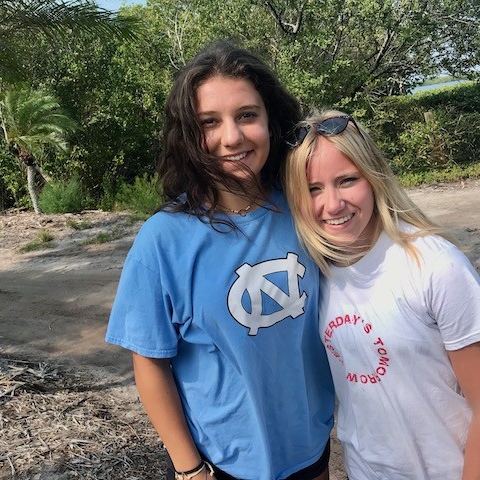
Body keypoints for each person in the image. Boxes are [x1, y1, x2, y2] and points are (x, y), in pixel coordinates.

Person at [105, 42, 335, 480]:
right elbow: (150, 361)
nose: (232, 138)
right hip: (223, 462)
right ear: (188, 136)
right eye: (209, 122)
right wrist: (188, 469)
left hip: (310, 445)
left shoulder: (305, 208)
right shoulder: (163, 239)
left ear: (271, 121)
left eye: (247, 115)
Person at [284, 110, 480, 480]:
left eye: (347, 180)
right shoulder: (316, 274)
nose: (333, 204)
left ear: (374, 176)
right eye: (313, 189)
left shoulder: (435, 265)